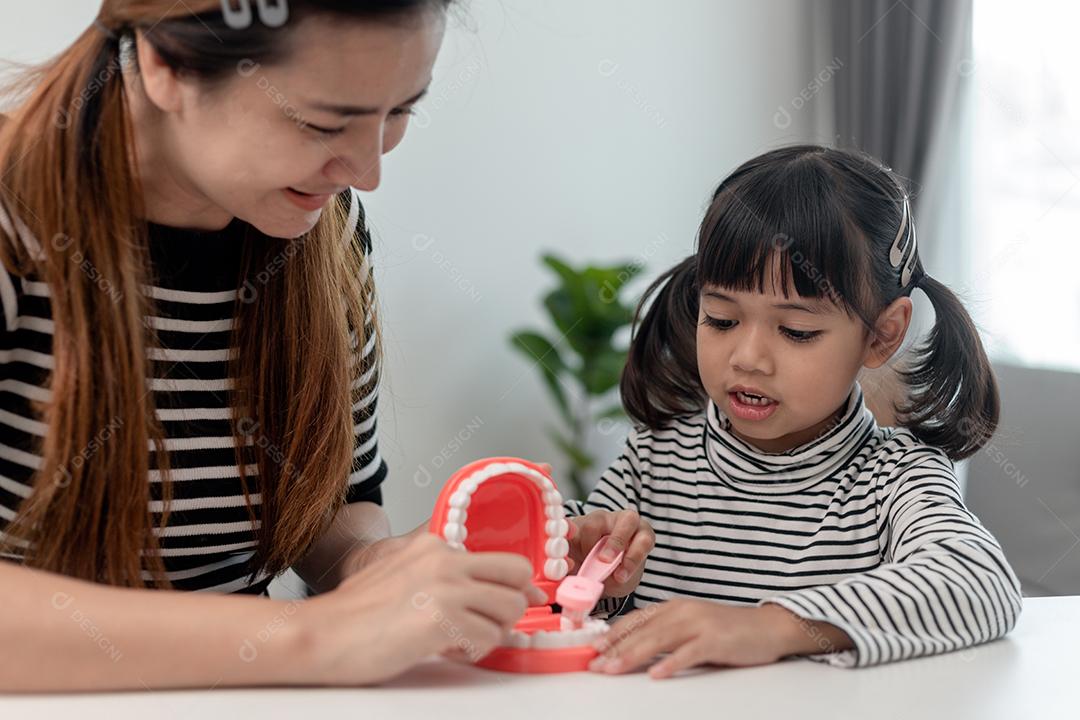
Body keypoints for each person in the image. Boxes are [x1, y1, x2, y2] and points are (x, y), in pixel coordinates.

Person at [0, 0, 564, 691]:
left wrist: (375, 568)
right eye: (321, 121)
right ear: (164, 65)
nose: (365, 171)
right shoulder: (12, 221)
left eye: (399, 113)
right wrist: (314, 637)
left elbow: (335, 503)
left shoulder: (321, 227)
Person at [567, 145, 1023, 678]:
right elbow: (581, 601)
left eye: (796, 331)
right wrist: (582, 571)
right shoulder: (653, 460)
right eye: (720, 319)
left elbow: (978, 582)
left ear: (882, 334)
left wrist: (771, 628)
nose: (748, 358)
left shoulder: (896, 479)